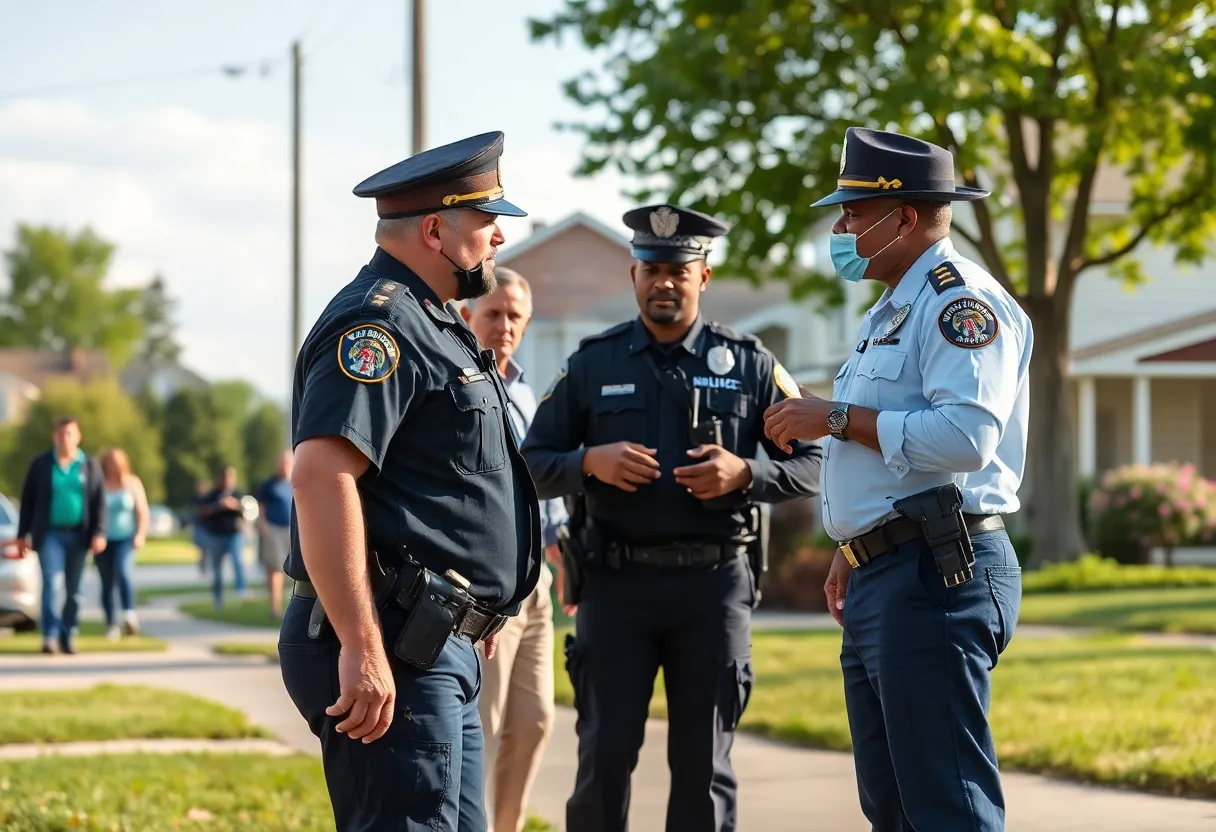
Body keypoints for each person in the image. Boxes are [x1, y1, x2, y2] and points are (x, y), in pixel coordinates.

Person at [762, 127, 1033, 832]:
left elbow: (966, 439)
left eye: (852, 214)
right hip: (888, 568)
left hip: (937, 574)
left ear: (905, 217)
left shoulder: (957, 303)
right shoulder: (892, 309)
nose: (840, 230)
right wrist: (853, 545)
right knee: (893, 805)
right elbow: (886, 455)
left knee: (945, 805)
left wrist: (835, 416)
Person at [520, 204, 823, 832]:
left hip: (713, 587)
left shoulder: (751, 363)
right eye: (652, 269)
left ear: (702, 277)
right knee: (603, 759)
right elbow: (531, 465)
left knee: (703, 769)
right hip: (615, 585)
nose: (664, 282)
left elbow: (815, 464)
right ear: (633, 275)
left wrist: (746, 473)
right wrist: (588, 462)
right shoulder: (592, 364)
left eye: (678, 270)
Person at [278, 130, 542, 831]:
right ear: (435, 231)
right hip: (393, 642)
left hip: (433, 638)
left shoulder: (437, 324)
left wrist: (478, 603)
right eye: (486, 222)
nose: (498, 238)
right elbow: (320, 475)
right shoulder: (380, 324)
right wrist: (361, 645)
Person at [459, 267, 567, 832]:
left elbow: (540, 484)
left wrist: (561, 555)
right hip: (487, 585)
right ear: (468, 315)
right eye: (493, 313)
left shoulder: (526, 392)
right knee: (485, 723)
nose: (504, 325)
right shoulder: (456, 384)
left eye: (515, 317)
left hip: (536, 580)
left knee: (536, 720)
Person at [15, 415, 107, 654]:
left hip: (80, 535)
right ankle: (50, 635)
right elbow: (28, 502)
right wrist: (22, 534)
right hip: (50, 535)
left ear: (78, 436)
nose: (64, 438)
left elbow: (99, 502)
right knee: (52, 583)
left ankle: (69, 633)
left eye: (69, 433)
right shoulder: (41, 465)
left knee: (74, 590)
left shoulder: (89, 465)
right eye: (60, 433)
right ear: (54, 436)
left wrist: (99, 532)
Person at [96, 447, 151, 639]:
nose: (113, 466)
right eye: (110, 462)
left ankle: (129, 613)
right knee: (106, 583)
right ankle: (111, 623)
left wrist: (140, 534)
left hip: (125, 538)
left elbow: (142, 511)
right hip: (103, 539)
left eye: (116, 462)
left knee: (123, 572)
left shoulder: (132, 483)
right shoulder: (99, 483)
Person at [194, 464, 249, 608]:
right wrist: (218, 506)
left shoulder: (238, 494)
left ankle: (241, 590)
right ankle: (217, 599)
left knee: (237, 561)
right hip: (216, 535)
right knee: (217, 568)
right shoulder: (212, 495)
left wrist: (234, 505)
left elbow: (247, 510)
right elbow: (201, 512)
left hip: (234, 533)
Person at [256, 450, 293, 619]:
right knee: (275, 569)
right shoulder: (269, 485)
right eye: (282, 463)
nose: (285, 467)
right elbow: (261, 508)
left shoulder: (294, 483)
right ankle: (275, 608)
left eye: (288, 463)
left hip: (292, 530)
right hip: (274, 530)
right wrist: (262, 526)